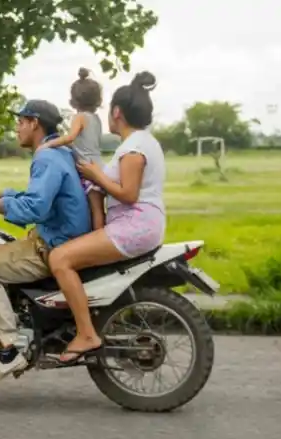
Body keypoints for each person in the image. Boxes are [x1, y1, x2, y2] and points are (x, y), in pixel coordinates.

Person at [0, 99, 91, 386]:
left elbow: (34, 210)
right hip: (60, 237)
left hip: (52, 244)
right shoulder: (57, 152)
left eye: (21, 121)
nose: (17, 127)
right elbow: (36, 197)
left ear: (34, 123)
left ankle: (8, 350)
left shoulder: (46, 157)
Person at [46, 71, 166, 364]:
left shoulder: (134, 147)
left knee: (60, 259)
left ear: (116, 113)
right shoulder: (140, 142)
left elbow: (128, 194)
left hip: (134, 227)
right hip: (138, 224)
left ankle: (86, 334)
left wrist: (96, 174)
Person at [38, 68, 107, 231]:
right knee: (99, 209)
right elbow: (80, 144)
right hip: (98, 165)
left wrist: (48, 144)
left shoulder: (80, 117)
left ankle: (98, 240)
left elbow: (70, 137)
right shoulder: (96, 119)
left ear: (73, 101)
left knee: (95, 210)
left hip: (88, 168)